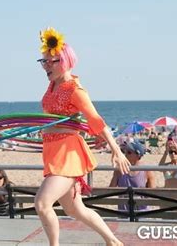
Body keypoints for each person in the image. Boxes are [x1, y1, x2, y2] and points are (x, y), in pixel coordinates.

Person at [34, 27, 130, 246]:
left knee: (42, 203)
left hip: (67, 155)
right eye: (43, 61)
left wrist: (116, 150)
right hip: (53, 152)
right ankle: (113, 241)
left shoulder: (75, 90)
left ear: (65, 61)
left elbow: (96, 120)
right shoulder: (53, 84)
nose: (46, 65)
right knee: (75, 209)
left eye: (51, 61)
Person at [109, 140, 155, 211]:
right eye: (125, 151)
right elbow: (110, 190)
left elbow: (152, 193)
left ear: (138, 155)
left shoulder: (147, 171)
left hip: (141, 212)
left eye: (129, 152)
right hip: (123, 212)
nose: (125, 154)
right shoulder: (119, 169)